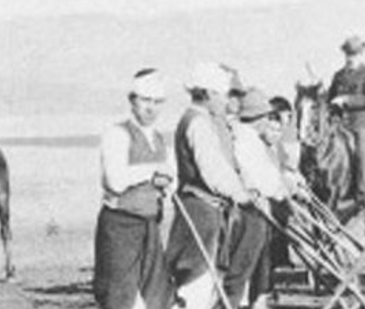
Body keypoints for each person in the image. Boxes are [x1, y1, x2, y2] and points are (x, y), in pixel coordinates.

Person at [166, 62, 252, 309]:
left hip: (204, 208)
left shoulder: (199, 120)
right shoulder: (198, 124)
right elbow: (213, 171)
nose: (226, 102)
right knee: (196, 284)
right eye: (222, 95)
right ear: (209, 94)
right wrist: (241, 194)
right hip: (200, 211)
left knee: (204, 284)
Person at [93, 69, 175, 309]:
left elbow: (171, 177)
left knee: (155, 300)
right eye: (145, 100)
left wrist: (166, 178)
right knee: (119, 299)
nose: (151, 108)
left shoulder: (159, 139)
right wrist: (153, 171)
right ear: (132, 101)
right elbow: (115, 181)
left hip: (150, 228)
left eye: (157, 102)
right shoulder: (117, 134)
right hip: (120, 228)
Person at [228, 88, 291, 309]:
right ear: (259, 118)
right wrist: (285, 190)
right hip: (249, 211)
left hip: (256, 207)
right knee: (244, 264)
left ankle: (256, 299)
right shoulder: (247, 140)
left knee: (255, 259)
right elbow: (264, 180)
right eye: (266, 117)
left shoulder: (247, 137)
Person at [328, 34, 365, 227]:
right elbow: (329, 98)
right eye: (348, 54)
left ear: (361, 54)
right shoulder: (338, 76)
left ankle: (363, 196)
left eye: (355, 54)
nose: (351, 58)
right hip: (339, 123)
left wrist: (347, 100)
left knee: (362, 154)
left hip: (359, 124)